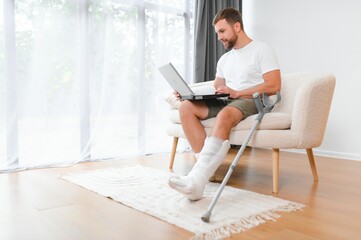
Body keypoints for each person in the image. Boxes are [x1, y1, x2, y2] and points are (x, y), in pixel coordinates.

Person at [168, 7, 281, 201]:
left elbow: (274, 85)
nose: (219, 37)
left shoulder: (261, 49)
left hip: (250, 100)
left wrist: (238, 92)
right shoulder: (224, 59)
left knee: (225, 114)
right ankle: (202, 174)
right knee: (186, 108)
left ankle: (196, 180)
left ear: (237, 26)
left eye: (222, 31)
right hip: (227, 99)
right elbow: (217, 88)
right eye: (217, 33)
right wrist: (189, 95)